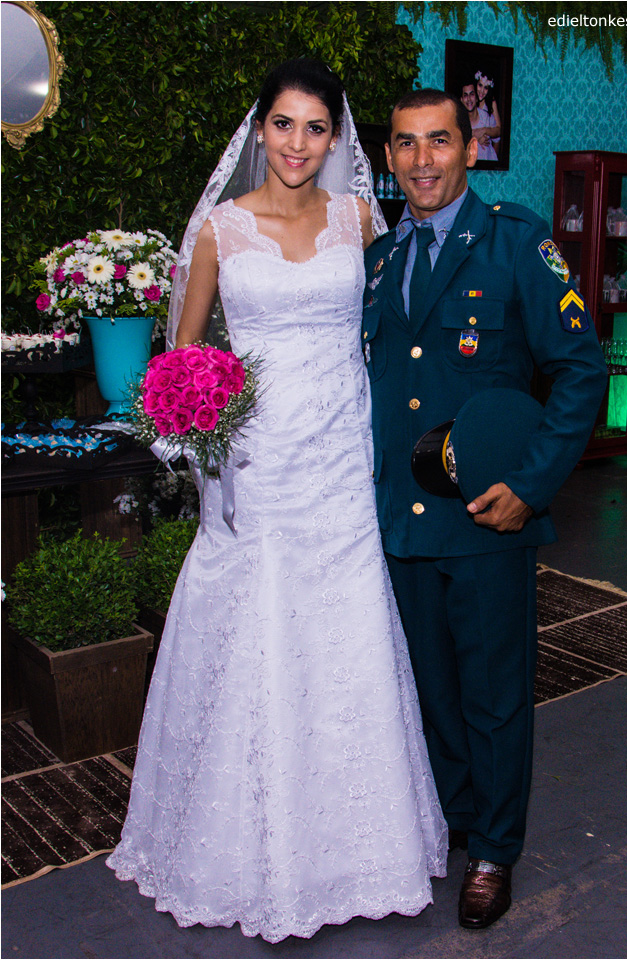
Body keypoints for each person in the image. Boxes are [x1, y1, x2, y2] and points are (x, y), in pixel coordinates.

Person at [106, 61, 447, 942]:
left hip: (340, 458)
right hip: (256, 466)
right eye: (284, 124)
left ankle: (360, 849)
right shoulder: (220, 230)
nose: (298, 143)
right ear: (259, 130)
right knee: (256, 627)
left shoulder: (360, 219)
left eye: (316, 128)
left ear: (337, 139)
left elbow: (394, 332)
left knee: (345, 632)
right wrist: (199, 433)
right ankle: (241, 848)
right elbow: (182, 358)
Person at [362, 88, 607, 929]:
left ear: (471, 148)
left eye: (439, 141)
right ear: (389, 157)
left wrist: (532, 487)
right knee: (432, 690)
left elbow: (580, 370)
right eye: (406, 144)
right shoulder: (380, 260)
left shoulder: (515, 242)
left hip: (486, 518)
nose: (422, 160)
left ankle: (495, 849)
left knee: (495, 695)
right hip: (401, 521)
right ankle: (458, 821)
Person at [459, 81, 497, 162]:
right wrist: (474, 137)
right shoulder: (459, 121)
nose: (469, 99)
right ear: (461, 100)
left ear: (476, 98)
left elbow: (497, 138)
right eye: (465, 95)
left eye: (472, 94)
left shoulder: (487, 117)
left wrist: (494, 163)